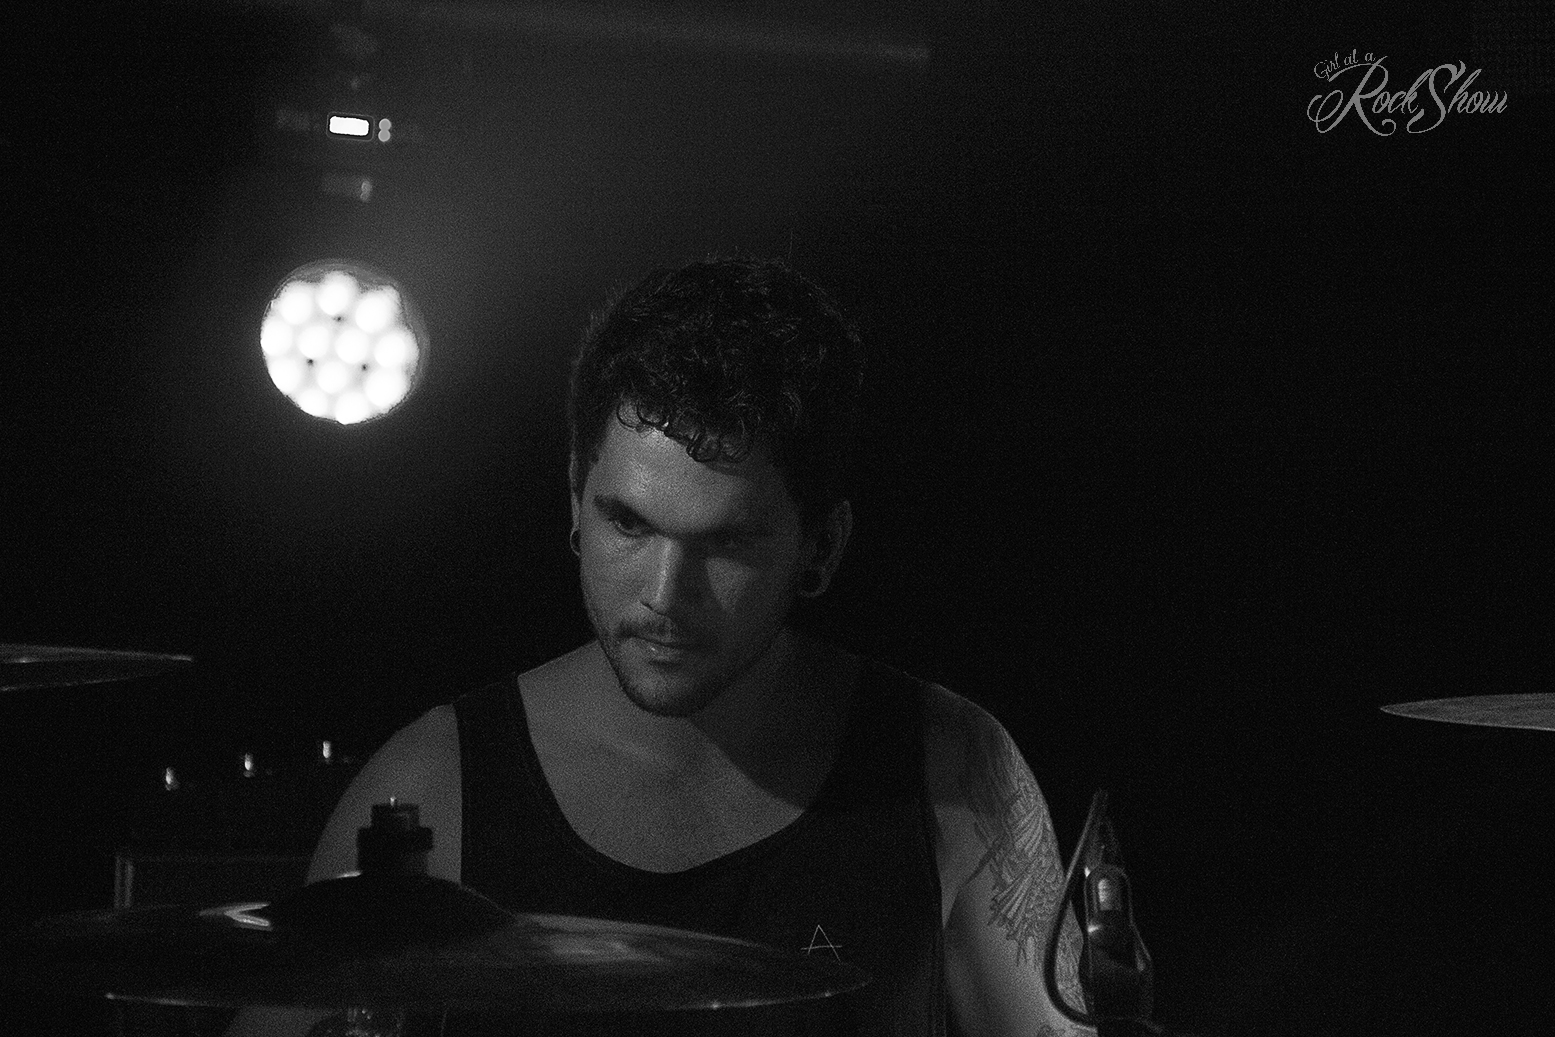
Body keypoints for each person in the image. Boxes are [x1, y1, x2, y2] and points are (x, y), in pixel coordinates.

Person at [302, 257, 1091, 1037]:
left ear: (821, 546)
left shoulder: (950, 770)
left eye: (727, 542)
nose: (664, 593)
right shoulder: (430, 786)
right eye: (629, 522)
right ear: (575, 494)